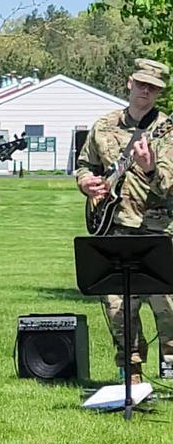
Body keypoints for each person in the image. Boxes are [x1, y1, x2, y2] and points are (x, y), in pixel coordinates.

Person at [75, 58, 173, 384]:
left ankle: (170, 369)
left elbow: (170, 185)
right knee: (119, 308)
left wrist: (149, 169)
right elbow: (85, 165)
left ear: (159, 92)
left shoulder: (167, 130)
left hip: (158, 229)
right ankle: (130, 373)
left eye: (153, 88)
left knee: (167, 308)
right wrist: (86, 183)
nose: (146, 91)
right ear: (130, 83)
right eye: (141, 84)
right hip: (114, 227)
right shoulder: (103, 126)